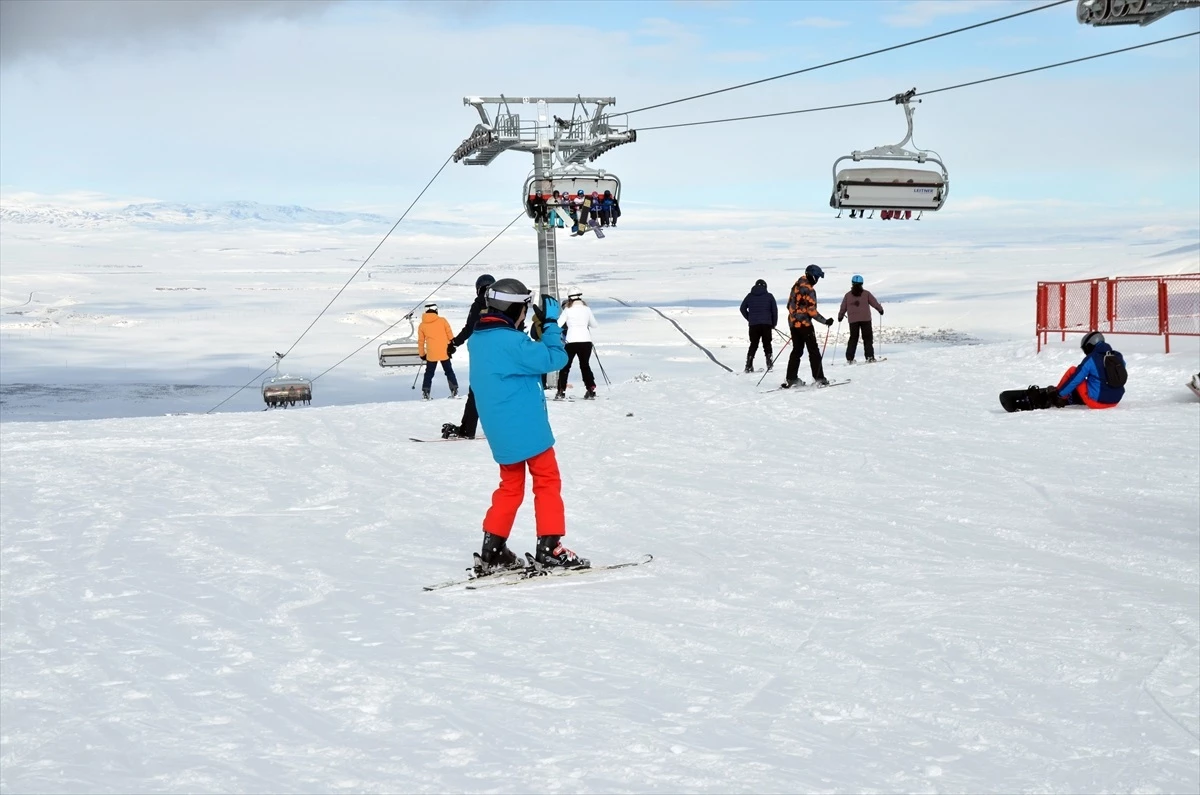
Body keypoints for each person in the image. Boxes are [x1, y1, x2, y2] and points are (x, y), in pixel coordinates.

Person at [468, 277, 588, 573]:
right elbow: (555, 358)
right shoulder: (512, 342)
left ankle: (492, 550)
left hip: (499, 429)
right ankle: (550, 547)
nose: (524, 315)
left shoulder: (478, 339)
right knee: (547, 481)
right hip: (527, 427)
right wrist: (548, 324)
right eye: (523, 308)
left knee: (510, 486)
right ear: (513, 308)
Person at [441, 274, 494, 438]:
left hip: (482, 353)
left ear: (478, 288)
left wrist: (454, 343)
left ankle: (468, 429)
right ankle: (512, 425)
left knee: (477, 391)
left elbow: (469, 328)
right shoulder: (502, 304)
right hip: (504, 350)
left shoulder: (478, 304)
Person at [1022, 331, 1126, 410]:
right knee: (1094, 378)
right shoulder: (1118, 356)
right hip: (1115, 401)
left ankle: (1058, 397)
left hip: (1097, 402)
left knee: (1073, 372)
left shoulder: (1092, 359)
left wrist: (1058, 394)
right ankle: (1072, 395)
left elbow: (1076, 379)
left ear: (1090, 346)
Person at [783, 264, 834, 388]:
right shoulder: (809, 289)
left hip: (793, 324)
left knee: (797, 350)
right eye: (817, 277)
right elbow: (812, 311)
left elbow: (788, 306)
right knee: (813, 351)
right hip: (805, 325)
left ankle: (791, 378)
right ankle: (819, 378)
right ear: (812, 276)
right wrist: (825, 321)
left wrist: (796, 317)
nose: (817, 280)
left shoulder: (796, 285)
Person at [556, 290, 599, 399]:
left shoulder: (567, 310)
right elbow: (594, 325)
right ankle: (590, 388)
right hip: (586, 341)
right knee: (585, 365)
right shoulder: (587, 309)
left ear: (569, 298)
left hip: (571, 341)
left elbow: (559, 324)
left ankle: (561, 391)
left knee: (565, 366)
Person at [837, 274, 884, 363]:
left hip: (853, 320)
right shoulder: (866, 294)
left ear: (852, 283)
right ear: (862, 283)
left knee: (853, 338)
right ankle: (869, 357)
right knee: (867, 338)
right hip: (865, 319)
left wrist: (840, 316)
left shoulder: (847, 295)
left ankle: (850, 358)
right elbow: (874, 303)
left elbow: (843, 307)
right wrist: (880, 310)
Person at [417, 303, 458, 399]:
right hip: (444, 351)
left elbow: (421, 342)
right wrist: (452, 346)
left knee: (429, 373)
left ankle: (426, 392)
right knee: (449, 371)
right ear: (436, 310)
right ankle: (454, 390)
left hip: (431, 353)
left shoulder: (422, 325)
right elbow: (450, 334)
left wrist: (422, 354)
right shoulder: (442, 321)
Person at [739, 278, 777, 373]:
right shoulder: (769, 296)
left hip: (753, 325)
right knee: (767, 343)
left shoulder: (750, 296)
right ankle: (769, 364)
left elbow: (742, 308)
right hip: (766, 324)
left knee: (753, 344)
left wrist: (750, 318)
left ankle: (748, 365)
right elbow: (774, 311)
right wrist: (773, 323)